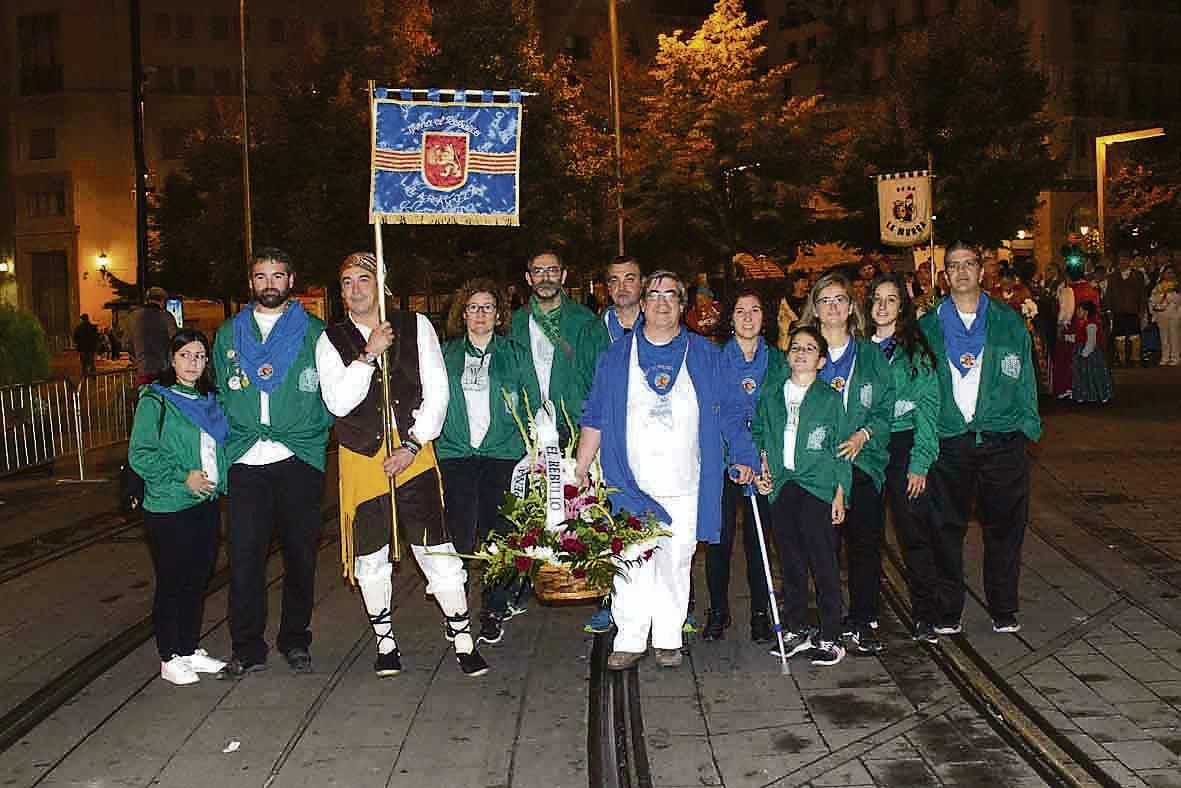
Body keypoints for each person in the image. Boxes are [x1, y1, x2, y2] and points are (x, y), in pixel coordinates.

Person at [575, 270, 757, 671]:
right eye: (653, 295)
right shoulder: (616, 357)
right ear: (642, 305)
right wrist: (580, 467)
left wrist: (743, 456)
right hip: (628, 480)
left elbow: (732, 412)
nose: (660, 302)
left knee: (677, 558)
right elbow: (596, 416)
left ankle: (669, 636)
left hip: (687, 481)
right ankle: (630, 636)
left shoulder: (706, 355)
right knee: (631, 557)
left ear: (682, 305)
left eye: (670, 296)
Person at [316, 254, 486, 677]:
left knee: (435, 547)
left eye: (364, 279)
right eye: (347, 282)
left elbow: (438, 391)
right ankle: (385, 642)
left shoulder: (414, 326)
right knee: (370, 554)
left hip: (413, 452)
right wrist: (367, 355)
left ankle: (463, 637)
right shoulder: (330, 340)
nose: (356, 289)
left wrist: (412, 443)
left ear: (380, 283)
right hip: (361, 456)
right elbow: (337, 402)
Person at [213, 248, 333, 677]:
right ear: (251, 283)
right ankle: (247, 646)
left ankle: (295, 639)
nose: (269, 284)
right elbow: (223, 394)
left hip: (296, 457)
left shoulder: (315, 332)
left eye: (277, 276)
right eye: (261, 277)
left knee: (301, 555)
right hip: (246, 458)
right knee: (244, 557)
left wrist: (312, 432)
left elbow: (332, 394)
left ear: (290, 280)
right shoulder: (229, 334)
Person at [919, 241, 1042, 635]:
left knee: (1005, 526)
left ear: (982, 269)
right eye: (953, 266)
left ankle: (1003, 606)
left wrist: (1027, 425)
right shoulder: (927, 327)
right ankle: (948, 608)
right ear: (945, 275)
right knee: (944, 527)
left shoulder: (1007, 322)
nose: (961, 272)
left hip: (1001, 437)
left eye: (969, 264)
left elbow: (1025, 376)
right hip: (949, 439)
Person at [437, 278, 541, 650]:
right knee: (459, 535)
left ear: (499, 316)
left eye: (488, 308)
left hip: (503, 455)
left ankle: (494, 608)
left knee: (501, 535)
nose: (480, 315)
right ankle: (457, 610)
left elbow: (535, 403)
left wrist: (537, 450)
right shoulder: (444, 354)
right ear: (462, 314)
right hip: (456, 455)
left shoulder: (515, 354)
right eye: (473, 308)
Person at [800, 272, 895, 654]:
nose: (833, 307)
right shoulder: (804, 350)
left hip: (862, 462)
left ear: (852, 307)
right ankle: (829, 620)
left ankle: (865, 617)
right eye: (825, 301)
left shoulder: (870, 355)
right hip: (819, 469)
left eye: (840, 299)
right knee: (823, 546)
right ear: (815, 309)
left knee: (865, 544)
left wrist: (864, 435)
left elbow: (886, 406)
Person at [129, 329, 229, 685]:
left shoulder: (211, 399)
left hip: (205, 504)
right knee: (173, 580)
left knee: (198, 578)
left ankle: (188, 648)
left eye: (200, 356)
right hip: (169, 505)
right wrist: (181, 477)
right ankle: (169, 655)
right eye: (185, 355)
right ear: (172, 359)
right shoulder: (156, 400)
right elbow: (140, 454)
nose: (193, 363)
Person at [750, 324, 850, 666]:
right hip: (783, 486)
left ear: (821, 361)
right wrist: (762, 465)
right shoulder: (772, 395)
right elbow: (760, 433)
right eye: (796, 347)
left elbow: (842, 450)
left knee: (823, 562)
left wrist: (840, 493)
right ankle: (796, 628)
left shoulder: (830, 398)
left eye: (810, 349)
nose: (801, 353)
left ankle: (831, 633)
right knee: (790, 561)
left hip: (817, 487)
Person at [866, 274, 942, 642]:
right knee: (865, 535)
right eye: (877, 299)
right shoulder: (859, 349)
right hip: (866, 449)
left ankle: (925, 613)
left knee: (913, 533)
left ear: (902, 307)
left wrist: (920, 462)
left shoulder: (915, 352)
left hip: (903, 445)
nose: (882, 307)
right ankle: (865, 614)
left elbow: (928, 409)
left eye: (891, 300)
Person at [703, 289, 777, 643]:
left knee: (757, 540)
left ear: (765, 317)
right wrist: (739, 457)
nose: (748, 317)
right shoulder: (716, 360)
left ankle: (761, 612)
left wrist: (760, 457)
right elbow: (718, 411)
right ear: (730, 319)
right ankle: (718, 609)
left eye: (755, 309)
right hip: (724, 461)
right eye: (740, 310)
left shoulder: (777, 361)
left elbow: (779, 412)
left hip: (763, 463)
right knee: (719, 540)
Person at [577, 255, 645, 634]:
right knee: (609, 523)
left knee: (657, 521)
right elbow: (587, 388)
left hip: (651, 440)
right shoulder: (592, 332)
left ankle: (671, 603)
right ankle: (612, 602)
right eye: (615, 280)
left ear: (642, 283)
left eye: (630, 278)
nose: (622, 286)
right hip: (608, 442)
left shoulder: (658, 324)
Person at [510, 251, 597, 446]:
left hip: (574, 429)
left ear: (563, 276)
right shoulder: (514, 324)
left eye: (552, 271)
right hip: (526, 430)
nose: (545, 278)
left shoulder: (585, 322)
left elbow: (597, 378)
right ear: (529, 278)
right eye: (538, 271)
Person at [129, 287, 177, 385]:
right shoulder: (166, 317)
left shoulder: (133, 317)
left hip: (143, 370)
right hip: (163, 371)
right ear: (163, 301)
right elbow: (176, 340)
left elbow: (126, 343)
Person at [1106, 256, 1148, 366]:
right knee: (1119, 336)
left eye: (1125, 260)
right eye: (1121, 260)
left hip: (1133, 310)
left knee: (1135, 336)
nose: (1123, 262)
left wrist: (1142, 310)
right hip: (1118, 310)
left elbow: (1142, 294)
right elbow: (1109, 294)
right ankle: (1121, 359)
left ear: (1130, 261)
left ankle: (1136, 359)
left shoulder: (1138, 275)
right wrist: (1109, 310)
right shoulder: (1112, 276)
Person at [1071, 301, 1112, 404]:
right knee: (1083, 374)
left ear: (1086, 312)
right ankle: (1085, 394)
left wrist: (1084, 354)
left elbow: (1091, 341)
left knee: (1093, 374)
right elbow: (1079, 337)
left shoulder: (1091, 324)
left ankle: (1097, 394)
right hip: (1083, 350)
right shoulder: (1083, 323)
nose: (1077, 312)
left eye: (1079, 310)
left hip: (1090, 354)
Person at [1150, 266, 1180, 366]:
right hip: (1162, 314)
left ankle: (1175, 357)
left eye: (1171, 272)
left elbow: (1178, 300)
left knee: (1175, 336)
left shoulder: (1178, 286)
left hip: (1175, 313)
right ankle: (1165, 357)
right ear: (1163, 274)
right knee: (1164, 337)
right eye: (1167, 273)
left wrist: (1170, 295)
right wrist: (1161, 296)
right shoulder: (1158, 286)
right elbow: (1153, 300)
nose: (1169, 275)